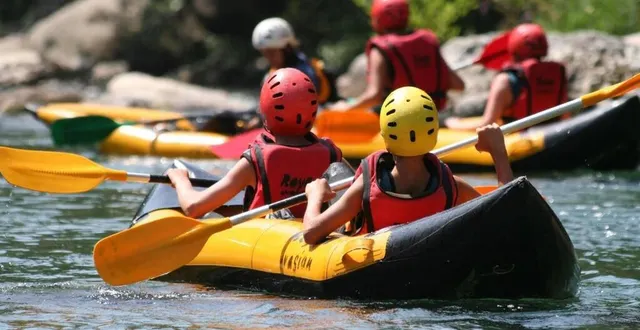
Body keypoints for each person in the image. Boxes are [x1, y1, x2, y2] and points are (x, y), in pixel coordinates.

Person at [301, 86, 514, 245]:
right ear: (433, 133)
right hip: (427, 267)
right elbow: (505, 217)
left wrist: (314, 197)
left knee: (337, 172)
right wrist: (498, 153)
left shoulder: (366, 187)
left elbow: (311, 234)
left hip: (374, 273)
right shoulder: (451, 186)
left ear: (386, 137)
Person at [167, 68, 343, 219]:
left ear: (266, 108)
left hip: (267, 241)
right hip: (315, 239)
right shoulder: (332, 155)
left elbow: (193, 207)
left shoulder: (256, 161)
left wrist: (180, 179)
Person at [329, 0, 465, 113]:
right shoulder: (427, 41)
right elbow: (458, 85)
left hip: (401, 119)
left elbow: (374, 96)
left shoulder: (381, 50)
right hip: (436, 115)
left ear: (378, 19)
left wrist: (346, 108)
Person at [444, 23, 568, 130]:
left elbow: (487, 124)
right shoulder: (558, 75)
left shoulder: (505, 80)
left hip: (519, 143)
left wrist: (453, 124)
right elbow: (565, 117)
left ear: (514, 45)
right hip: (551, 137)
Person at [252, 17, 338, 105]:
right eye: (265, 53)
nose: (268, 58)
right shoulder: (271, 75)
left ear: (287, 49)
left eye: (271, 52)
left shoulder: (303, 73)